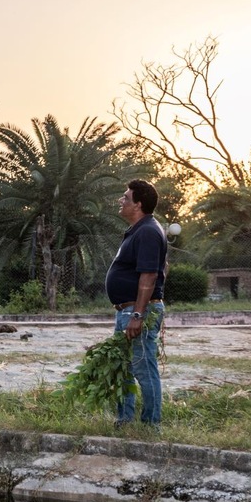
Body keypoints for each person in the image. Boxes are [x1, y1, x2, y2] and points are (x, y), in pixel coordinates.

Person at [105, 179, 168, 427]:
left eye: (126, 197)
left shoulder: (149, 231)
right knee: (124, 367)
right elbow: (164, 266)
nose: (121, 201)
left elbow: (151, 274)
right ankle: (125, 420)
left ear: (138, 204)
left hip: (135, 311)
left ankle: (151, 425)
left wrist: (140, 314)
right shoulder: (140, 230)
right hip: (129, 310)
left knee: (143, 367)